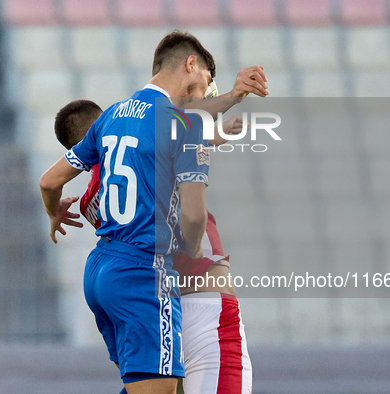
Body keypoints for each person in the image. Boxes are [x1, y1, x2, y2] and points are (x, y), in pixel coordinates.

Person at [53, 63, 267, 393]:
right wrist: (230, 100)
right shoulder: (150, 134)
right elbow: (177, 127)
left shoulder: (90, 199)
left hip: (141, 298)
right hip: (198, 294)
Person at [40, 31, 216, 394]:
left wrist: (54, 211)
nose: (207, 92)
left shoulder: (113, 116)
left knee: (163, 383)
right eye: (207, 81)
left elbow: (48, 181)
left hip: (102, 270)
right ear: (190, 65)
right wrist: (191, 257)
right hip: (145, 274)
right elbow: (195, 217)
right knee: (160, 386)